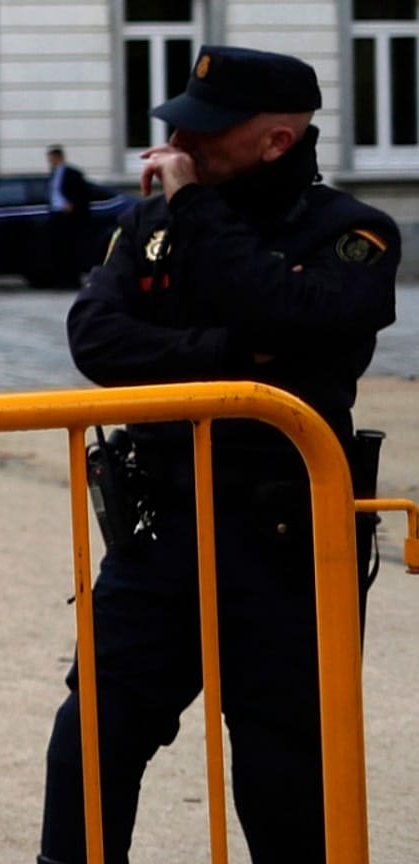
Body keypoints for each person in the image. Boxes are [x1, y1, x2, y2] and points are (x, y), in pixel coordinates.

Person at [39, 45, 398, 864]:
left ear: (276, 141)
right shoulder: (151, 224)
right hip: (158, 528)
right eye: (181, 127)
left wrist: (196, 211)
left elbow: (285, 311)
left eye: (205, 130)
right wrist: (235, 353)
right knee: (93, 735)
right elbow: (96, 338)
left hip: (285, 544)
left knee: (284, 765)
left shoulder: (352, 232)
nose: (180, 144)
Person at [47, 144, 91, 288]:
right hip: (56, 214)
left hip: (70, 216)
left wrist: (73, 205)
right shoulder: (53, 174)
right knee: (58, 248)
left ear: (59, 157)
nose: (50, 161)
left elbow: (83, 194)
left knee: (71, 248)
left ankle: (73, 279)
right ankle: (61, 279)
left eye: (52, 158)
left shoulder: (72, 174)